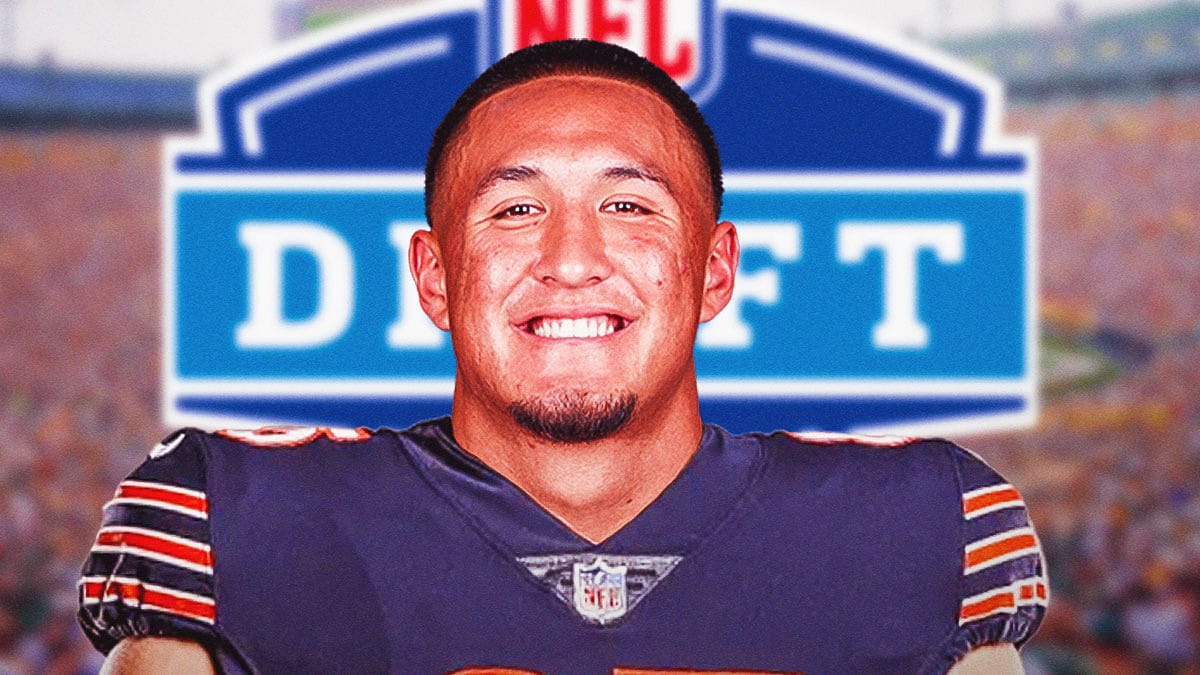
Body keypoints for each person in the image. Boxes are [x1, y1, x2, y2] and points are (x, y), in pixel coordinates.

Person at [78, 39, 1046, 673]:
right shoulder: (234, 517)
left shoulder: (924, 526)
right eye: (514, 209)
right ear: (435, 278)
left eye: (628, 205)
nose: (572, 259)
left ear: (714, 270)